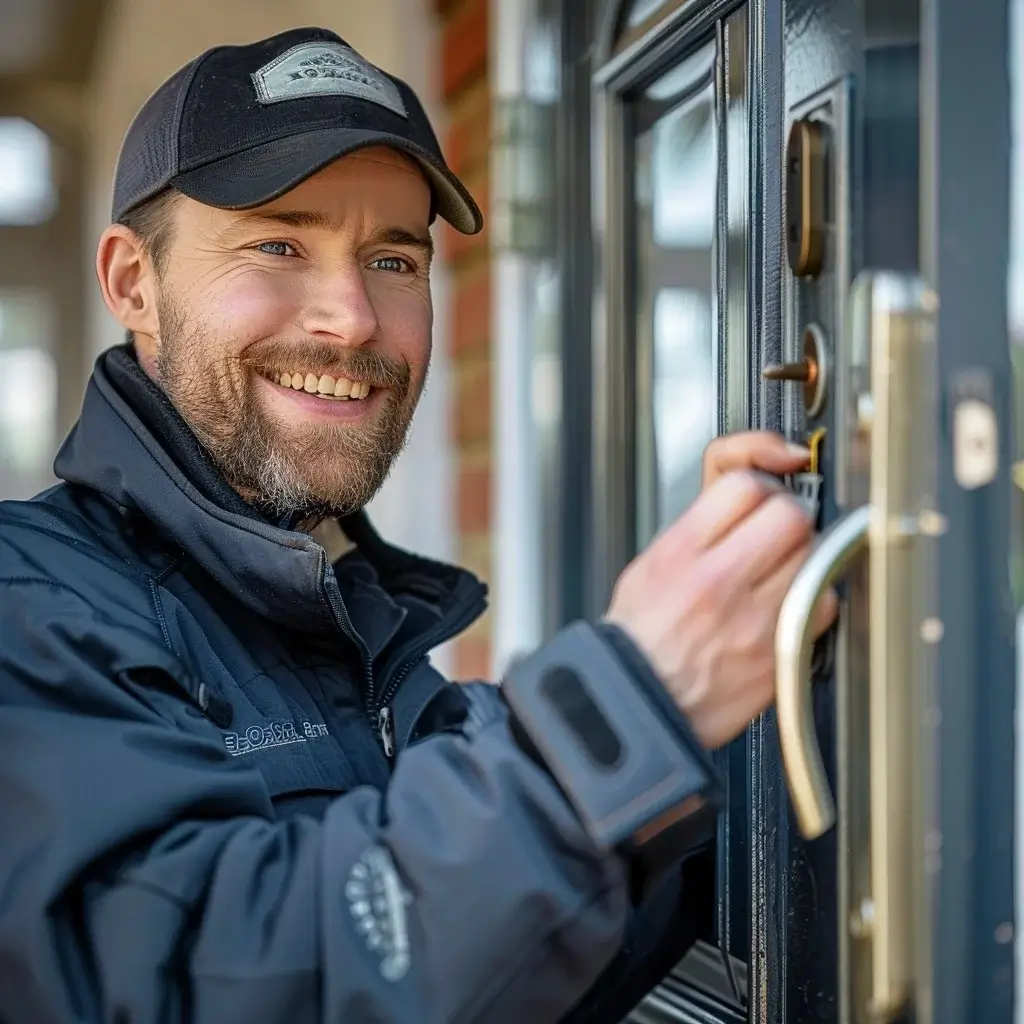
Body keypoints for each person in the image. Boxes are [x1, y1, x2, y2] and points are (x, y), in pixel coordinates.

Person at [0, 26, 835, 1024]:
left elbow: (510, 972)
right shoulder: (30, 608)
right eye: (279, 243)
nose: (351, 317)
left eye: (393, 259)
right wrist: (628, 702)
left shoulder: (347, 615)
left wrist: (763, 655)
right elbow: (201, 979)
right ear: (133, 282)